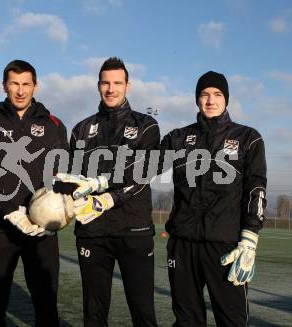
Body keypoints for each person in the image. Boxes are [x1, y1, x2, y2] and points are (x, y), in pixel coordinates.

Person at [56, 57, 159, 327]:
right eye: (105, 83)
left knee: (143, 312)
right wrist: (52, 197)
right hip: (92, 232)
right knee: (94, 313)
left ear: (128, 86)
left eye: (117, 83)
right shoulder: (81, 129)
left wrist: (106, 197)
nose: (111, 89)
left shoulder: (147, 125)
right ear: (98, 86)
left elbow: (142, 173)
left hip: (133, 232)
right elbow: (72, 179)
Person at [160, 71, 267, 326]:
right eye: (204, 94)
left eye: (217, 94)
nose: (211, 100)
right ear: (197, 99)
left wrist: (249, 239)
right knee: (186, 321)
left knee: (232, 320)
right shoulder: (177, 138)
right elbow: (143, 167)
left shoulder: (248, 138)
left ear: (226, 99)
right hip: (183, 245)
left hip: (226, 246)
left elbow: (256, 188)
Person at [0, 59, 68, 327]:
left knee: (46, 305)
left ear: (35, 86)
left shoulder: (54, 125)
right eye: (14, 83)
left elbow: (62, 177)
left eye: (26, 84)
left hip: (41, 231)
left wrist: (57, 214)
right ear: (4, 86)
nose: (20, 90)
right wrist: (8, 212)